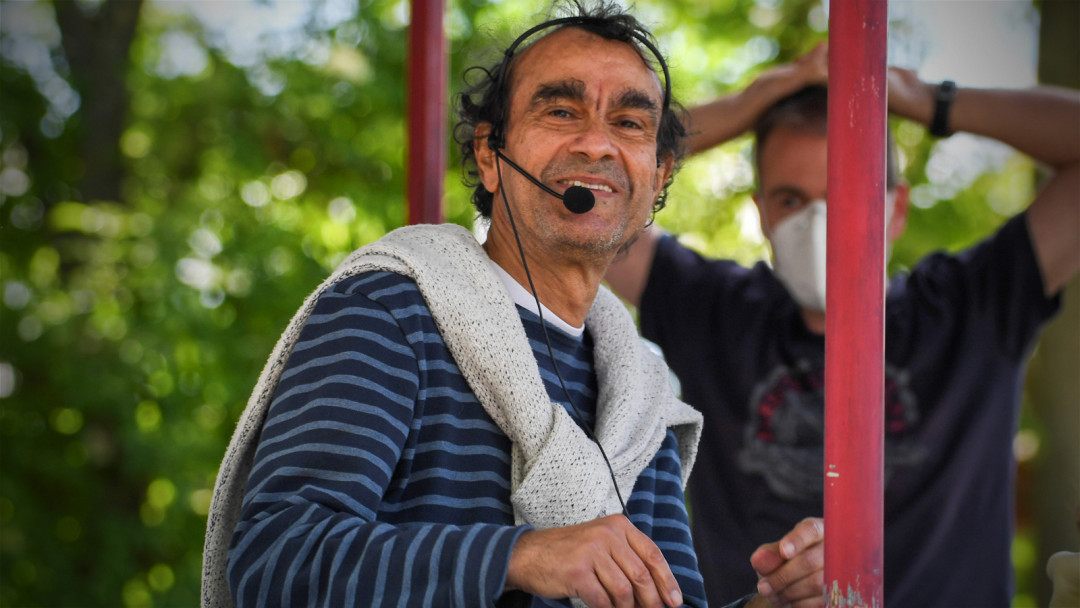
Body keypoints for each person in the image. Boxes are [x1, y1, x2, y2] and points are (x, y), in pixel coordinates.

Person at [200, 3, 827, 607]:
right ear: (488, 156)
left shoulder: (644, 396)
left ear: (657, 177)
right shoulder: (388, 310)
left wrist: (775, 604)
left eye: (629, 123)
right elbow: (275, 565)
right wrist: (520, 557)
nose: (597, 144)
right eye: (560, 110)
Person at [606, 43, 1080, 608]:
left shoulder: (970, 308)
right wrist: (755, 100)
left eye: (847, 194)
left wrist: (926, 101)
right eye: (791, 198)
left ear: (896, 208)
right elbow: (590, 196)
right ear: (762, 211)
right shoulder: (716, 311)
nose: (819, 223)